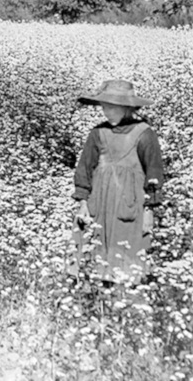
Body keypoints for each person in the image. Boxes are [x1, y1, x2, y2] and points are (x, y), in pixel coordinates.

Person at [70, 79, 163, 284]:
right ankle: (93, 305)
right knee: (93, 255)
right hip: (98, 203)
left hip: (129, 205)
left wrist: (149, 211)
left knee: (128, 260)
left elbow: (154, 173)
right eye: (104, 106)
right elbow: (85, 168)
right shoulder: (97, 133)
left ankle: (124, 307)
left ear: (126, 107)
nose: (106, 111)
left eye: (111, 107)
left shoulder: (144, 134)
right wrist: (83, 204)